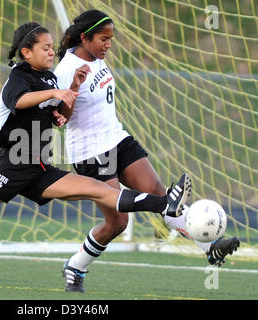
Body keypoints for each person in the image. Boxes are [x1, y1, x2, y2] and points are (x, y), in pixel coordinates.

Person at [0, 22, 191, 285]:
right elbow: (20, 102)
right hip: (11, 166)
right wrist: (56, 92)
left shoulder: (49, 79)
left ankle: (166, 204)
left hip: (40, 168)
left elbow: (60, 116)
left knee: (99, 190)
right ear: (26, 52)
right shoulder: (18, 79)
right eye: (43, 47)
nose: (50, 51)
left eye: (51, 46)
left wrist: (71, 90)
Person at [54, 9, 240, 292]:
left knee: (159, 192)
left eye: (111, 39)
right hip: (92, 152)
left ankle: (210, 245)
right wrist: (73, 89)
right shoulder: (65, 70)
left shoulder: (97, 59)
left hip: (118, 138)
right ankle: (76, 266)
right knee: (117, 222)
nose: (108, 45)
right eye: (103, 39)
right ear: (85, 37)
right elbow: (59, 119)